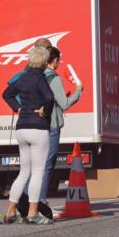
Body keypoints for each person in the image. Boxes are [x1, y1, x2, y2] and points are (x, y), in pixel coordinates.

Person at [0, 45, 55, 225]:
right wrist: (44, 112)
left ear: (30, 59)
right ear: (46, 62)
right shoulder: (40, 78)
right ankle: (32, 213)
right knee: (38, 172)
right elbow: (49, 98)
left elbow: (6, 94)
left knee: (24, 172)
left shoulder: (22, 78)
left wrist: (18, 108)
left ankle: (10, 213)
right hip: (38, 128)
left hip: (21, 127)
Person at [34, 46, 83, 204]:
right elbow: (64, 103)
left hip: (37, 125)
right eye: (58, 60)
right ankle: (40, 200)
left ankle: (30, 200)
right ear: (54, 60)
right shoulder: (54, 78)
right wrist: (78, 92)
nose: (59, 63)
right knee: (47, 164)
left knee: (35, 165)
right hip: (52, 125)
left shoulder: (37, 76)